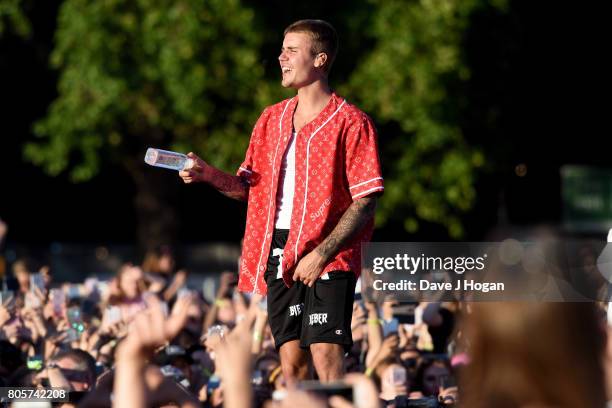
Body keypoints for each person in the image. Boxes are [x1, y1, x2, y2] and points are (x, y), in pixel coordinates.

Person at [180, 19, 384, 383]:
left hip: (330, 250)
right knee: (291, 363)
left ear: (320, 59)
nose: (281, 57)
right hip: (276, 246)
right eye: (281, 49)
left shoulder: (352, 122)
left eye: (292, 50)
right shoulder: (269, 119)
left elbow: (366, 198)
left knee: (325, 352)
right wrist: (208, 175)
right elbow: (249, 191)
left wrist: (321, 253)